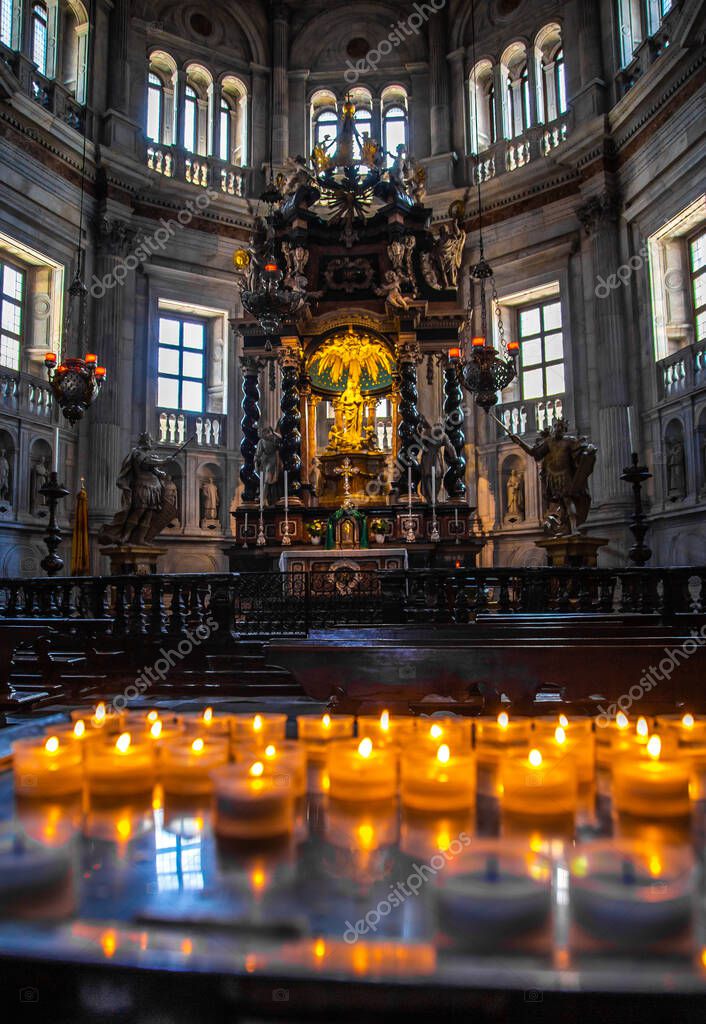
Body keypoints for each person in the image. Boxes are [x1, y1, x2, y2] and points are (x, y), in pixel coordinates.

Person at [510, 419, 596, 536]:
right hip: (553, 478)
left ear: (564, 429)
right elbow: (535, 452)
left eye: (561, 427)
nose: (558, 429)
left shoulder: (569, 441)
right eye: (556, 426)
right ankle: (567, 527)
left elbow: (581, 454)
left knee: (568, 501)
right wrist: (519, 442)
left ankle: (574, 528)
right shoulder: (549, 442)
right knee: (562, 504)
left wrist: (588, 451)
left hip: (566, 476)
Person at [99, 433, 185, 546]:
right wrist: (164, 461)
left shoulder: (146, 454)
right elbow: (146, 463)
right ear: (145, 441)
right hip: (143, 486)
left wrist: (161, 472)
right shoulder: (137, 452)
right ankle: (125, 537)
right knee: (139, 512)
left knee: (148, 514)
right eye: (150, 440)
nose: (151, 443)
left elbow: (154, 470)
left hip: (154, 489)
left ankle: (140, 539)